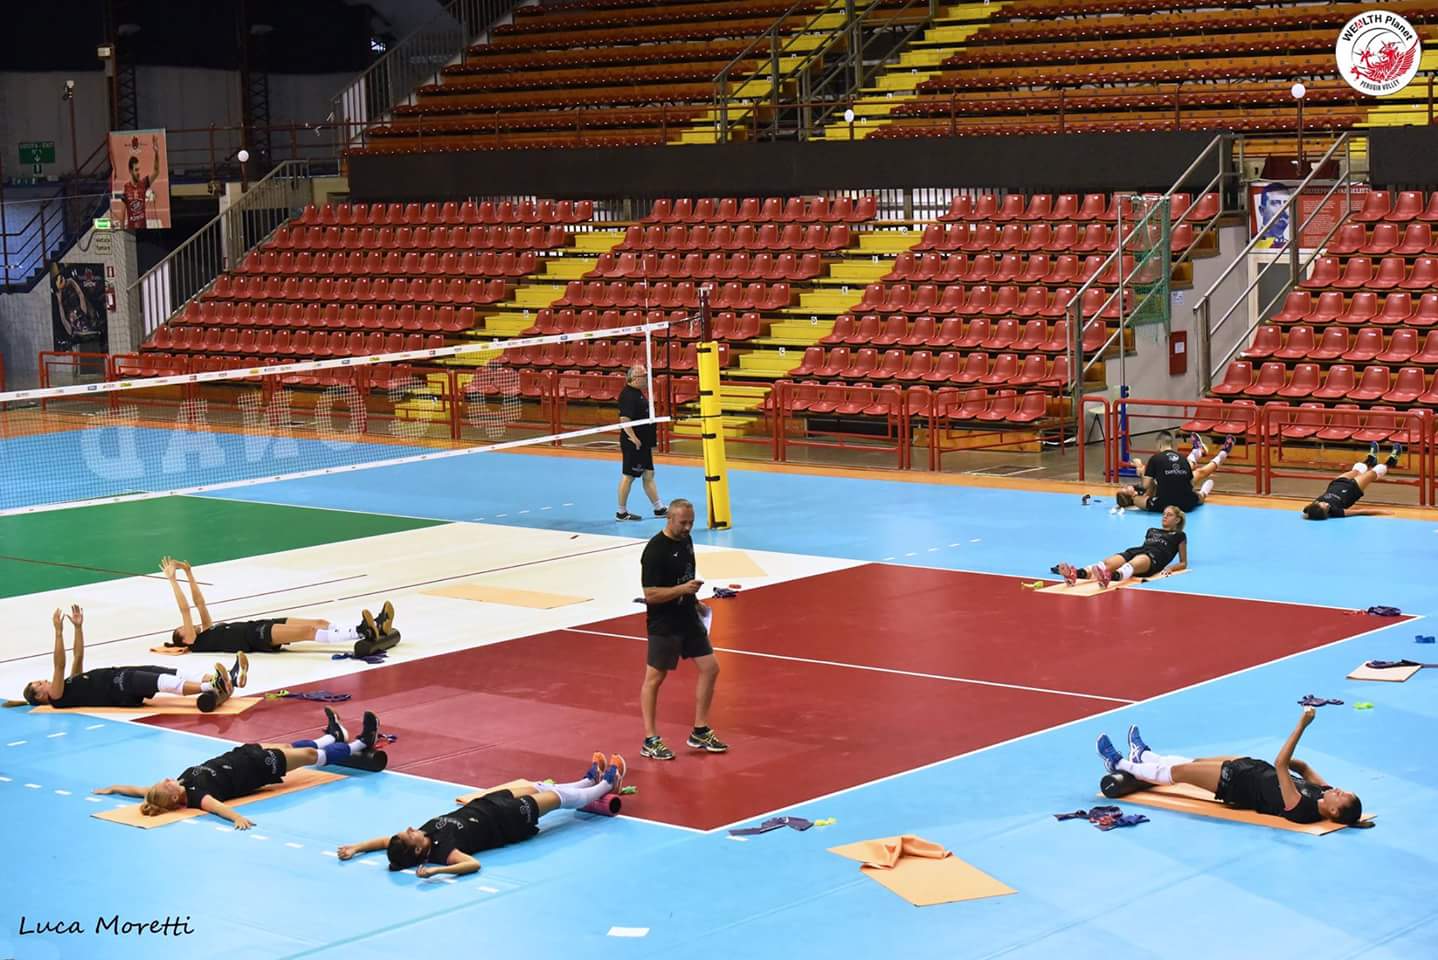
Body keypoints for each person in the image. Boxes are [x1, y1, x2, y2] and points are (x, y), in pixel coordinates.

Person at [337, 752, 626, 878]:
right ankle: (607, 784)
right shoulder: (443, 851)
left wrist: (357, 847)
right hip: (508, 819)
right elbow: (472, 864)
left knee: (537, 786)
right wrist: (438, 871)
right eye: (408, 833)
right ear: (417, 848)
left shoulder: (422, 834)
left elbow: (385, 841)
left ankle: (587, 781)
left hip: (488, 803)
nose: (410, 827)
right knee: (557, 799)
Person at [94, 707, 380, 829]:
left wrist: (114, 788)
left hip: (244, 754)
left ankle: (333, 735)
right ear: (172, 798)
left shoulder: (177, 784)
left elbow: (138, 791)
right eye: (165, 783)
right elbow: (218, 808)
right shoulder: (196, 795)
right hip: (259, 770)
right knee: (306, 755)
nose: (168, 778)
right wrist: (237, 819)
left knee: (293, 747)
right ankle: (360, 743)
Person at [1095, 708, 1364, 826]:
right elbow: (1301, 766)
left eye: (1341, 796)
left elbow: (1282, 763)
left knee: (1179, 774)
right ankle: (1144, 755)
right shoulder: (1322, 793)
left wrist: (1301, 726)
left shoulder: (1303, 810)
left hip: (1235, 785)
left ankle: (1118, 763)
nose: (1338, 789)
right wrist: (1288, 765)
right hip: (1250, 768)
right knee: (1194, 763)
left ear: (1332, 810)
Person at [14, 605, 243, 713]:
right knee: (163, 682)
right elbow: (59, 663)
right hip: (120, 687)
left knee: (171, 672)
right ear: (41, 696)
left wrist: (78, 627)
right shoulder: (57, 696)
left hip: (120, 674)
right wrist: (57, 632)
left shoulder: (69, 685)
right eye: (39, 684)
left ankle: (222, 679)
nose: (44, 681)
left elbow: (78, 655)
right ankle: (210, 685)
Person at [159, 556, 397, 655]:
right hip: (254, 637)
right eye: (181, 628)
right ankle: (360, 632)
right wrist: (171, 579)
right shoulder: (194, 641)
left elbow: (198, 602)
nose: (184, 626)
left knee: (319, 622)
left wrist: (189, 572)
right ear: (183, 639)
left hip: (259, 625)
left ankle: (373, 626)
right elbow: (186, 609)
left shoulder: (208, 631)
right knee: (308, 632)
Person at [638, 498, 726, 760]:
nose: (688, 527)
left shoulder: (686, 541)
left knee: (711, 668)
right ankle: (650, 739)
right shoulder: (655, 551)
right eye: (682, 523)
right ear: (669, 519)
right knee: (655, 678)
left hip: (688, 616)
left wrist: (694, 601)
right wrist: (681, 591)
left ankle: (699, 730)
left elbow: (685, 576)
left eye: (691, 522)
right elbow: (650, 594)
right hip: (664, 622)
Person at [1055, 504, 1188, 588]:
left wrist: (1171, 567)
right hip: (1139, 550)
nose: (1164, 517)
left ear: (1177, 520)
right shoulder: (1152, 530)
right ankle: (1075, 574)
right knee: (1106, 563)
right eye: (1164, 514)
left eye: (1169, 515)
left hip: (1154, 557)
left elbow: (1183, 562)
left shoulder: (1179, 535)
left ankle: (1109, 577)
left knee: (1136, 562)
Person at [1117, 432, 1234, 511]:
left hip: (1175, 500)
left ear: (1158, 445)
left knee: (1198, 480)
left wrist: (1141, 470)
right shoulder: (1181, 457)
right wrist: (1139, 468)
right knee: (1198, 475)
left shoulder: (1155, 459)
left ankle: (1203, 452)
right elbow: (1148, 486)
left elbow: (1147, 485)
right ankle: (1212, 453)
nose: (1126, 487)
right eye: (1125, 489)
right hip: (1184, 499)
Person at [617, 364, 667, 521]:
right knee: (629, 476)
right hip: (635, 443)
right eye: (644, 376)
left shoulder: (638, 393)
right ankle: (621, 512)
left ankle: (659, 508)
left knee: (649, 474)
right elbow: (624, 419)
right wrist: (633, 438)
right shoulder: (628, 395)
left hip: (644, 442)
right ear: (634, 378)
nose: (646, 379)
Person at [1302, 442, 1402, 520]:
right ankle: (1392, 461)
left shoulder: (1311, 508)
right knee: (1372, 473)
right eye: (1326, 508)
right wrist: (1382, 512)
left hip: (1337, 483)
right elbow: (1361, 511)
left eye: (1323, 505)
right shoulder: (1336, 512)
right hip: (1353, 489)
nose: (1327, 504)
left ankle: (1370, 459)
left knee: (1357, 470)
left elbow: (1306, 512)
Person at [120, 134, 159, 230]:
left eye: (139, 169)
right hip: (131, 232)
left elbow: (156, 171)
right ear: (130, 171)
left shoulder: (143, 183)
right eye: (136, 170)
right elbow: (122, 213)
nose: (138, 172)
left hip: (143, 231)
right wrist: (121, 231)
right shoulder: (125, 188)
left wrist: (156, 153)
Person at [1254, 182, 1291, 250]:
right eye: (1275, 203)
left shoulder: (1290, 244)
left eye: (1286, 203)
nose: (1283, 209)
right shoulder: (1256, 242)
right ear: (1262, 210)